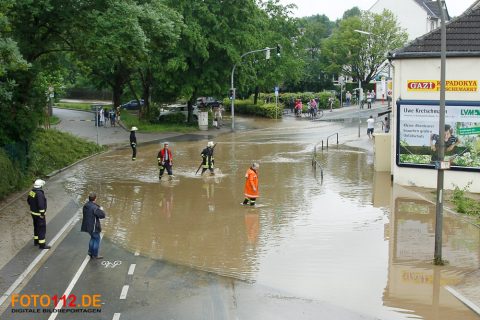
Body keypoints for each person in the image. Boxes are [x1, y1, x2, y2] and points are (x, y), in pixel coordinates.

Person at [81, 192, 105, 259]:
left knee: (92, 238)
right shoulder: (95, 208)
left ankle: (90, 252)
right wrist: (101, 210)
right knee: (97, 239)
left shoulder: (86, 205)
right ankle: (95, 254)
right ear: (95, 198)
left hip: (87, 226)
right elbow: (102, 216)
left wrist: (98, 207)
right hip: (94, 227)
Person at [27, 179, 50, 249]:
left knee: (36, 227)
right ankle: (42, 245)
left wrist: (33, 207)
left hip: (33, 213)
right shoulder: (39, 193)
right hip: (39, 215)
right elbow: (41, 205)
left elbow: (28, 201)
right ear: (40, 186)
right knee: (41, 229)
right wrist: (42, 214)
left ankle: (36, 241)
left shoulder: (31, 192)